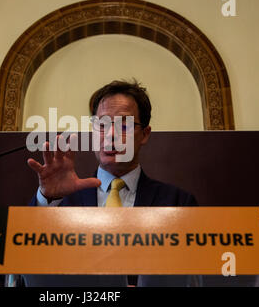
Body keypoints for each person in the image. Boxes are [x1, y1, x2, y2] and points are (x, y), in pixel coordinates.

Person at [25, 79, 198, 287]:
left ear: (145, 134)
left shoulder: (177, 202)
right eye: (102, 125)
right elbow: (18, 271)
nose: (111, 135)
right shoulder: (60, 201)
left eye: (124, 125)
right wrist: (47, 200)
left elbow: (193, 278)